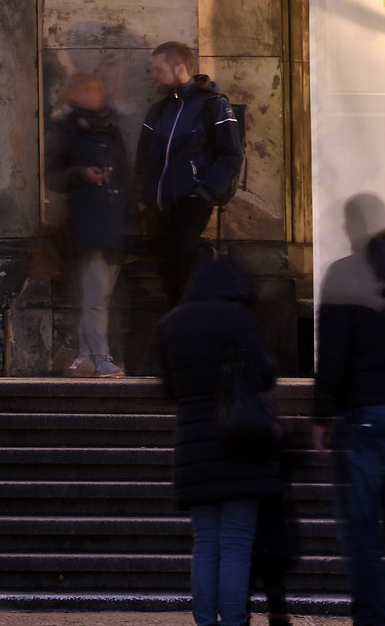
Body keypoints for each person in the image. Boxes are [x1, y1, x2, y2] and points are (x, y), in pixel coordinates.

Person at [154, 255, 281, 626]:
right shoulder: (236, 317)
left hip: (193, 448)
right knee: (237, 542)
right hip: (240, 443)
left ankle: (205, 619)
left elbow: (169, 389)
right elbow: (263, 375)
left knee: (205, 541)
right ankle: (235, 620)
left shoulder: (170, 324)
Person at [312, 201, 385, 626]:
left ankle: (372, 618)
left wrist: (322, 416)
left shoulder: (344, 273)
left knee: (361, 533)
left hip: (362, 415)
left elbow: (333, 355)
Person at [135, 40, 244, 308]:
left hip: (191, 201)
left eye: (158, 69)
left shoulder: (214, 105)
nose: (153, 76)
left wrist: (203, 194)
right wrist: (143, 196)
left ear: (179, 68)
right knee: (168, 273)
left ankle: (188, 316)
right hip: (158, 205)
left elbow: (230, 155)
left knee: (182, 265)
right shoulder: (158, 110)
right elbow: (143, 159)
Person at [45, 69, 132, 377]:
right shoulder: (65, 131)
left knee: (102, 295)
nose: (93, 96)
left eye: (96, 90)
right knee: (95, 295)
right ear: (73, 95)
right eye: (85, 91)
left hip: (114, 221)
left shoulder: (111, 128)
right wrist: (81, 174)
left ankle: (88, 356)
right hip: (88, 221)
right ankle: (96, 356)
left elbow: (125, 174)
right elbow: (52, 177)